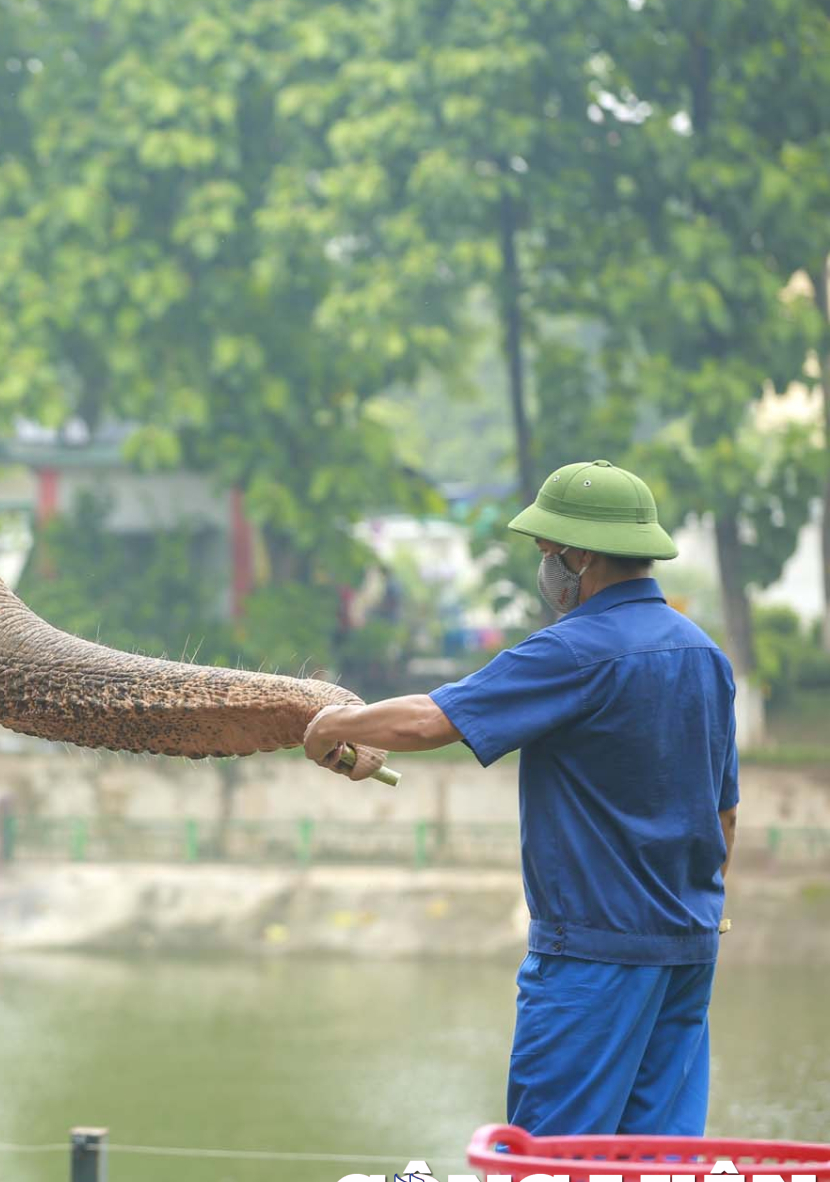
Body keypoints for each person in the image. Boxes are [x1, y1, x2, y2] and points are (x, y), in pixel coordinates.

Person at [303, 460, 738, 1136]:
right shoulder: (705, 656)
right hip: (688, 951)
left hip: (592, 959)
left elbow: (430, 718)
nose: (546, 570)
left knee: (550, 1173)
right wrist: (691, 912)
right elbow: (724, 815)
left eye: (547, 553)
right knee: (657, 1176)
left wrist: (334, 724)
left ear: (580, 554)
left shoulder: (572, 651)